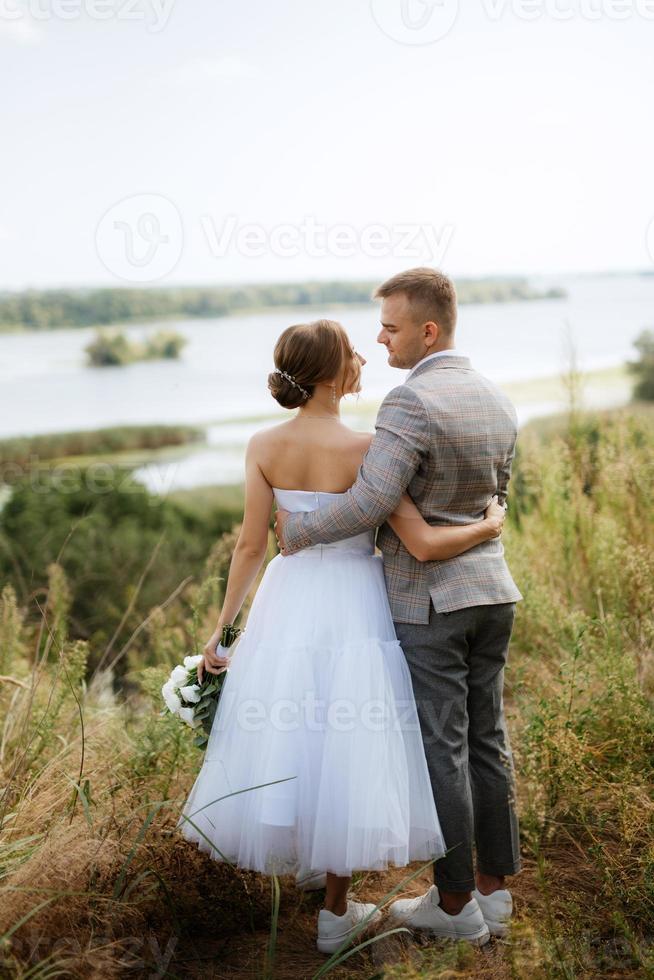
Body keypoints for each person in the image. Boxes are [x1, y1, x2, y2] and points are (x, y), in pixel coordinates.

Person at [178, 317, 507, 953]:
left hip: (288, 599)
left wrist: (224, 631)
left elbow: (250, 544)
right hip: (356, 600)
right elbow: (418, 538)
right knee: (346, 740)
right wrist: (486, 527)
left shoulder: (263, 444)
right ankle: (335, 911)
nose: (364, 358)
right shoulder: (367, 448)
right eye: (354, 352)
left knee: (294, 732)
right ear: (331, 372)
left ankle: (315, 886)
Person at [276, 269, 523, 945]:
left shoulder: (408, 403)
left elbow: (368, 502)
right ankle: (494, 892)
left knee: (442, 748)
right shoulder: (495, 397)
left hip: (430, 602)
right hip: (492, 592)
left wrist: (297, 532)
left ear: (428, 329)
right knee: (486, 741)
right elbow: (495, 500)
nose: (380, 338)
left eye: (389, 326)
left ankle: (452, 904)